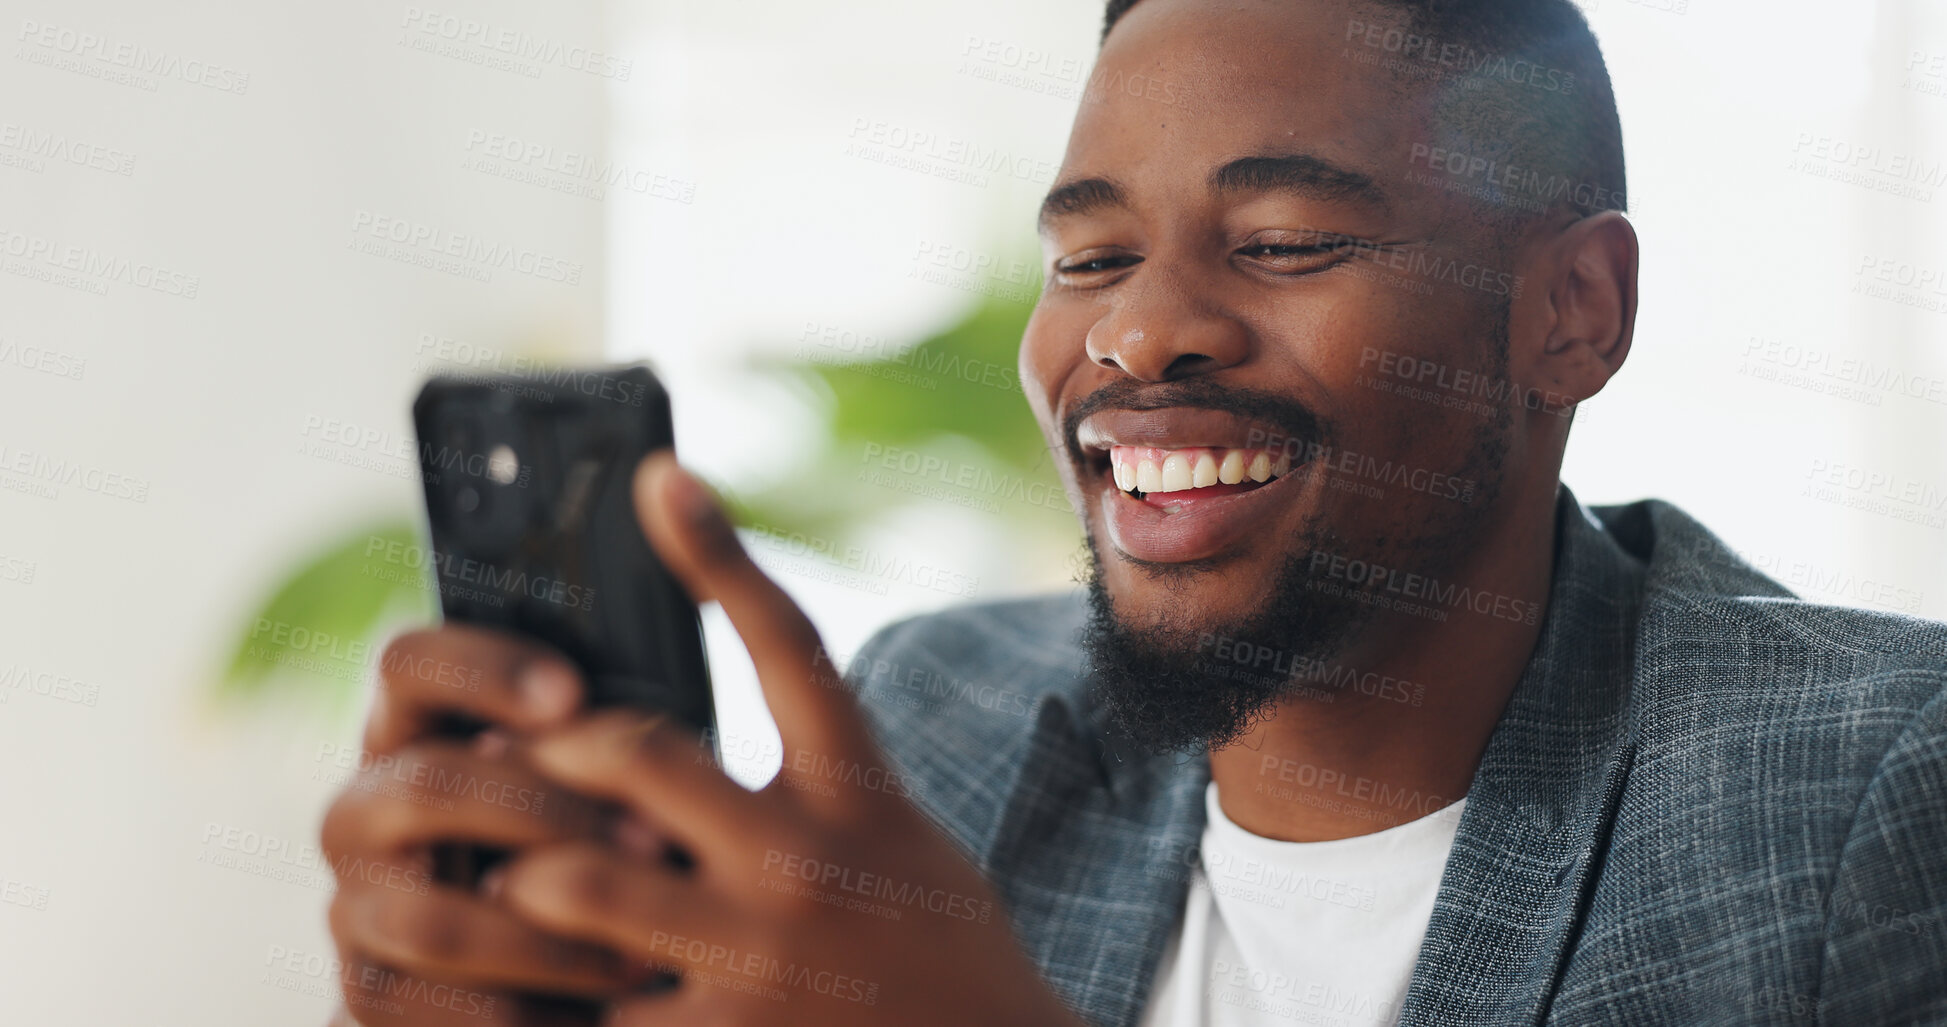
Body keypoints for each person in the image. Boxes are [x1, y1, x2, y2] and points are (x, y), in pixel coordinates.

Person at [320, 1, 1947, 1023]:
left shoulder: (1868, 793)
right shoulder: (939, 717)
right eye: (1090, 258)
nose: (1135, 332)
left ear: (1571, 312)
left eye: (1287, 240)